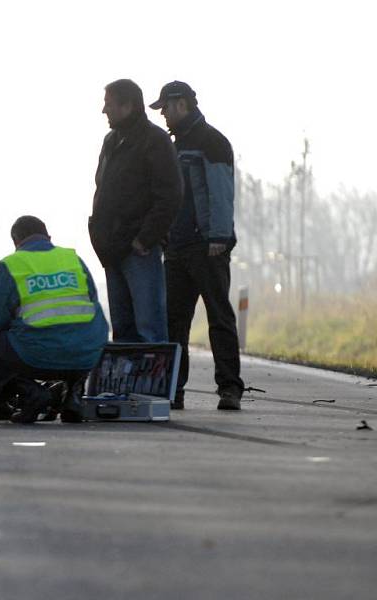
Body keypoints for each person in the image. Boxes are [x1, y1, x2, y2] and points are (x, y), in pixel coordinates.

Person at [0, 215, 109, 423]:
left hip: (35, 356)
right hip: (86, 355)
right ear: (48, 236)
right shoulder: (73, 260)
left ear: (16, 241)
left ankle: (31, 392)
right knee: (81, 335)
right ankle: (73, 395)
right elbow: (91, 302)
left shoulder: (10, 265)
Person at [150, 81, 245, 410]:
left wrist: (218, 236)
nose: (162, 114)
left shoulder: (212, 142)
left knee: (219, 317)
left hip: (207, 246)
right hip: (176, 246)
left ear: (181, 104)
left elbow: (220, 191)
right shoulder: (173, 145)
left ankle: (229, 388)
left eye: (165, 107)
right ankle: (174, 389)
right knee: (174, 323)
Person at [89, 79, 182, 343]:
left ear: (127, 105)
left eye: (108, 104)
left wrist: (145, 239)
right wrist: (98, 233)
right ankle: (125, 383)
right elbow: (102, 188)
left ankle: (153, 383)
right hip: (112, 248)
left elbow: (170, 195)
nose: (104, 111)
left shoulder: (155, 141)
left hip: (139, 250)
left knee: (149, 327)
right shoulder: (111, 142)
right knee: (122, 329)